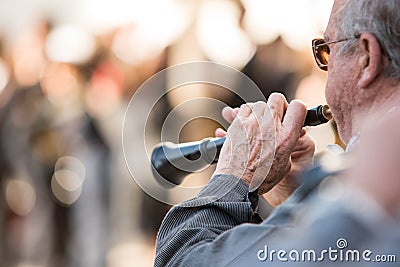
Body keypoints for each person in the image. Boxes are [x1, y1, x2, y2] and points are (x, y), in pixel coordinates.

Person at [155, 0, 400, 266]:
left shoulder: (380, 179)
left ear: (367, 57)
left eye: (327, 51)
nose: (325, 71)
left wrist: (235, 175)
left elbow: (181, 260)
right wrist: (297, 199)